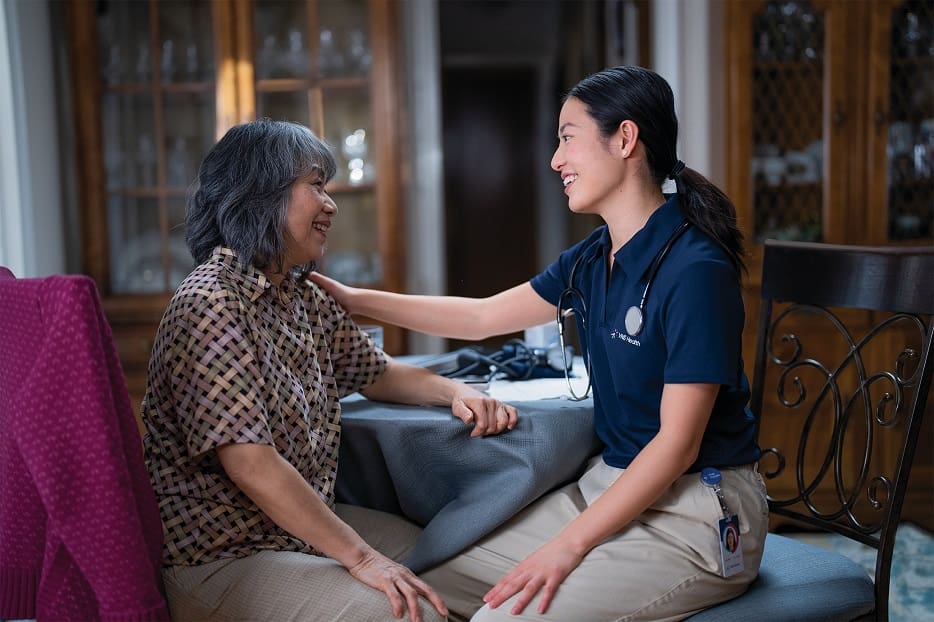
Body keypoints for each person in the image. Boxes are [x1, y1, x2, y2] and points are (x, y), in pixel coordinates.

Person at [309, 66, 769, 621]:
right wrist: (353, 299)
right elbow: (482, 317)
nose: (556, 160)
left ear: (625, 139)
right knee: (423, 585)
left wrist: (566, 546)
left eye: (567, 137)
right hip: (611, 488)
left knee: (500, 617)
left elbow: (677, 446)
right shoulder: (597, 256)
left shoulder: (695, 269)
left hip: (697, 513)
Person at [140, 118, 519, 622]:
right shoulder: (209, 302)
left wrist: (454, 392)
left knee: (466, 572)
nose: (331, 204)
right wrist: (362, 558)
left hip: (294, 530)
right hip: (225, 557)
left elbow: (379, 373)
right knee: (409, 612)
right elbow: (250, 463)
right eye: (316, 185)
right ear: (263, 193)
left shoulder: (303, 293)